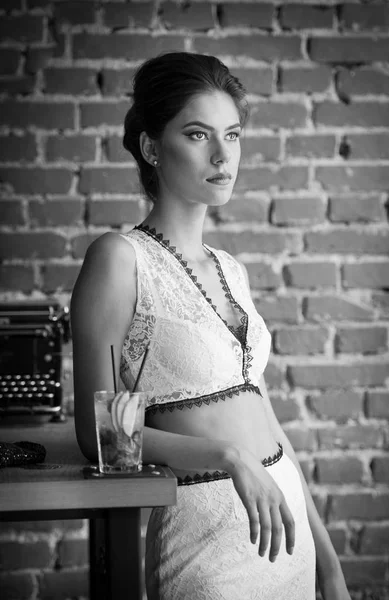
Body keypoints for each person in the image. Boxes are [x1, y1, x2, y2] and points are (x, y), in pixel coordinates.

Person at [71, 52, 351, 600]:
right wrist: (227, 456)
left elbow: (267, 421)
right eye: (199, 135)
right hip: (207, 537)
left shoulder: (231, 271)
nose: (224, 155)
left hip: (286, 526)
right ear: (152, 147)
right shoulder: (119, 259)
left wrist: (329, 562)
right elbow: (98, 436)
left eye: (234, 134)